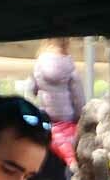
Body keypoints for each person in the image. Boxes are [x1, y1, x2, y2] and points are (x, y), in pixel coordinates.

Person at [29, 38, 85, 166]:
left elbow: (32, 89)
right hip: (67, 120)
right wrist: (79, 118)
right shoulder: (70, 68)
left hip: (46, 121)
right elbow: (78, 99)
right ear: (66, 43)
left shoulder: (39, 64)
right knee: (69, 158)